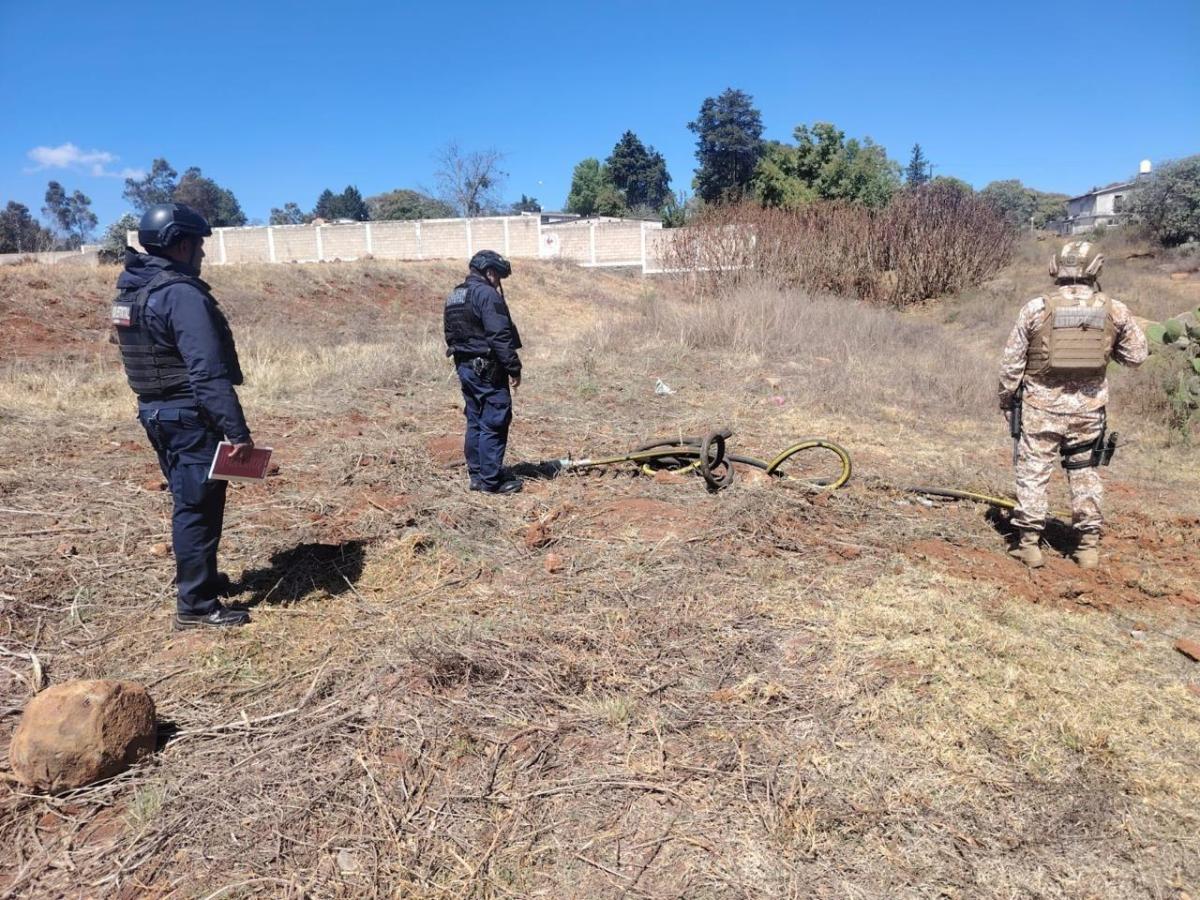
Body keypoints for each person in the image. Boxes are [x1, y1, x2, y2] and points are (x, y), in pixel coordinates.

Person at [112, 203, 255, 629]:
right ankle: (196, 605)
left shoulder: (133, 289)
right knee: (197, 508)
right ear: (180, 243)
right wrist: (237, 433)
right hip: (189, 416)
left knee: (189, 499)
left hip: (157, 412)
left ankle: (202, 579)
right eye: (198, 245)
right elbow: (206, 372)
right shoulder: (179, 294)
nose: (203, 254)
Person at [998, 240, 1147, 570]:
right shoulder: (1114, 309)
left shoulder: (1037, 307)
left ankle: (1028, 545)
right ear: (1096, 268)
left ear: (1055, 266)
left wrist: (1006, 399)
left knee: (1034, 473)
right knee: (1084, 474)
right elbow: (1137, 356)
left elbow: (1011, 364)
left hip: (1040, 410)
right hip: (1088, 412)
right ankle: (1087, 548)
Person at [443, 250, 524, 494]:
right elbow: (499, 335)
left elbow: (450, 334)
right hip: (487, 368)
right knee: (495, 419)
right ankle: (491, 481)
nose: (498, 282)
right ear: (489, 272)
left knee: (476, 419)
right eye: (498, 276)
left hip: (465, 366)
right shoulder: (486, 294)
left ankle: (477, 476)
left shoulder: (455, 295)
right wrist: (513, 366)